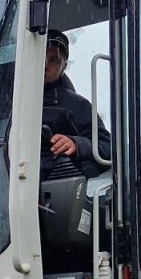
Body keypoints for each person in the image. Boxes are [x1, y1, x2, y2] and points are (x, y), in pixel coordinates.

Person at [41, 29, 110, 179]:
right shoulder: (3, 100)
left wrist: (76, 144)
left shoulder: (78, 106)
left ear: (64, 67)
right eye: (41, 56)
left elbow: (108, 147)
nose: (45, 65)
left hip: (53, 194)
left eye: (54, 60)